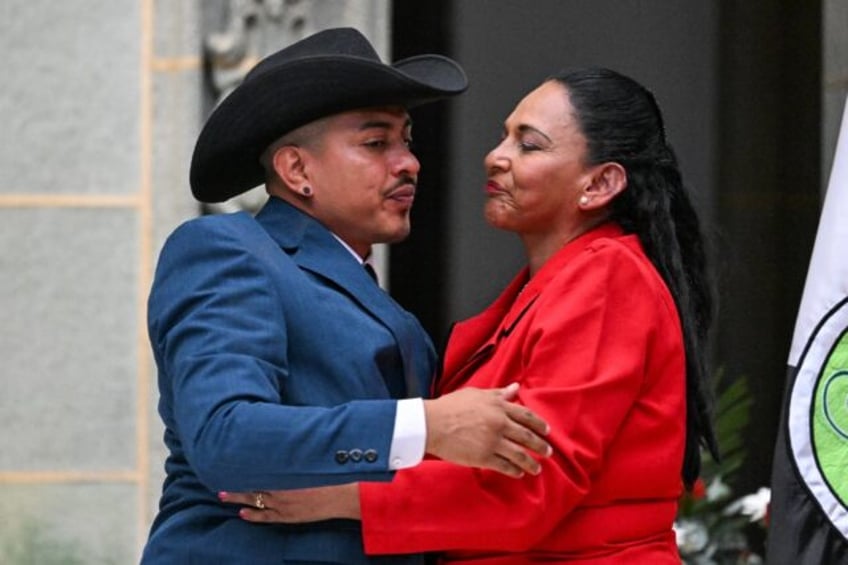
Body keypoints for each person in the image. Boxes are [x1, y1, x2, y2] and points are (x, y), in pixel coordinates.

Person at [223, 67, 721, 564]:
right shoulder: (556, 284)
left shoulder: (608, 278)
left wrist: (335, 496)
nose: (495, 156)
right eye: (503, 136)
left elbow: (533, 483)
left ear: (599, 183)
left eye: (529, 145)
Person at [141, 27, 553, 565]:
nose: (408, 162)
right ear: (297, 170)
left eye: (406, 139)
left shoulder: (375, 299)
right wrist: (430, 425)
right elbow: (226, 435)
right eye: (376, 143)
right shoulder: (227, 248)